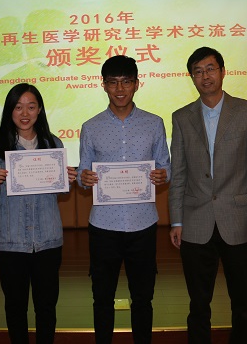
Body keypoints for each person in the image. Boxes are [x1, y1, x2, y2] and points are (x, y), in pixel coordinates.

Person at [168, 46, 247, 344]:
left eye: (210, 68)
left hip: (240, 222)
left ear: (223, 71)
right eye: (198, 71)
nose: (205, 76)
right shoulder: (181, 117)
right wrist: (176, 221)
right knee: (198, 305)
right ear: (192, 77)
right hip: (195, 221)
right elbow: (178, 172)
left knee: (242, 304)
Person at [77, 55, 171, 344]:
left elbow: (166, 165)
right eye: (113, 82)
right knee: (101, 297)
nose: (120, 89)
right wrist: (85, 178)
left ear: (136, 84)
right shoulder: (90, 127)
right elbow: (83, 169)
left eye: (126, 82)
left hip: (143, 225)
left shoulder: (154, 123)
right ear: (103, 85)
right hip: (104, 226)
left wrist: (161, 175)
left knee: (143, 297)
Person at [0, 83, 77, 344]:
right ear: (9, 111)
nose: (25, 113)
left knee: (46, 308)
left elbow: (59, 193)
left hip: (47, 239)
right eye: (18, 106)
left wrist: (66, 180)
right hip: (11, 241)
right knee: (15, 308)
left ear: (40, 110)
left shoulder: (52, 143)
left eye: (31, 106)